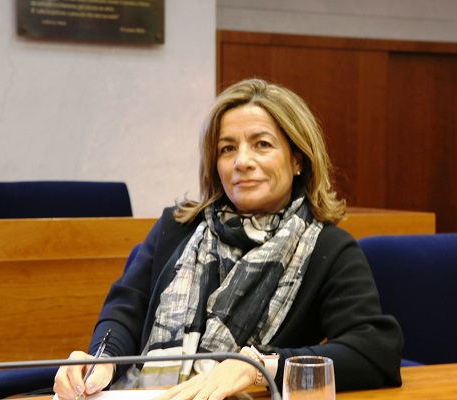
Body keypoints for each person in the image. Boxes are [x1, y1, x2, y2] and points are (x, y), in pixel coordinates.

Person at [53, 78, 403, 399]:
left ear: (298, 159)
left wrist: (259, 366)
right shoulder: (176, 227)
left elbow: (374, 351)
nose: (242, 162)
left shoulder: (328, 248)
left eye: (262, 144)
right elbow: (125, 311)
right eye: (227, 149)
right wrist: (102, 360)